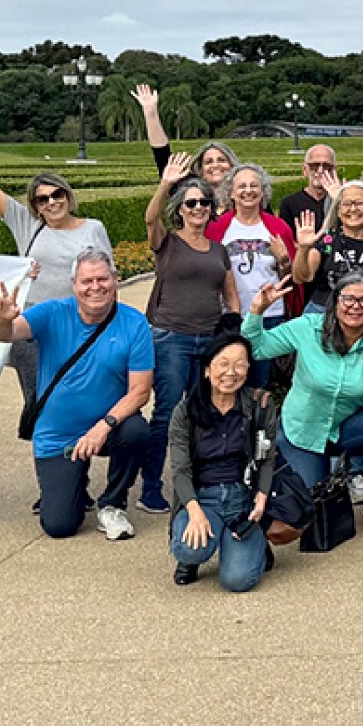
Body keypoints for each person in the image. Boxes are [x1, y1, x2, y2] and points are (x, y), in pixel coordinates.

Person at [243, 272, 363, 541]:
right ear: (335, 301)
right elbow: (255, 349)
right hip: (301, 431)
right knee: (308, 509)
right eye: (348, 298)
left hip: (346, 426)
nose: (355, 306)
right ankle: (338, 475)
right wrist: (257, 312)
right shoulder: (308, 328)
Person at [0, 117, 113, 423]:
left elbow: (108, 277)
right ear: (35, 205)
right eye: (43, 199)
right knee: (40, 399)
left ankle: (76, 457)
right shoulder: (28, 225)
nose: (52, 202)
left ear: (67, 196)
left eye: (57, 195)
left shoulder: (93, 228)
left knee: (79, 396)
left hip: (78, 323)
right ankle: (52, 459)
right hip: (34, 325)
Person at [0, 250, 152, 542]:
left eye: (103, 278)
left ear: (116, 280)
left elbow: (140, 391)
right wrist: (2, 319)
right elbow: (5, 335)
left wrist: (103, 427)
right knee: (60, 525)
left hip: (107, 426)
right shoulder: (51, 312)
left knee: (137, 430)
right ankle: (76, 482)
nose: (95, 287)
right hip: (58, 434)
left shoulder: (134, 323)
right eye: (86, 280)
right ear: (74, 284)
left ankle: (112, 503)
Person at [139, 153, 237, 514]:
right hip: (172, 337)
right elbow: (150, 218)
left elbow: (228, 291)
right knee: (166, 411)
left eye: (204, 203)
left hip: (208, 338)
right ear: (180, 209)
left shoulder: (218, 249)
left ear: (212, 209)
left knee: (203, 411)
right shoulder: (167, 241)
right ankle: (150, 484)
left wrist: (234, 326)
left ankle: (195, 480)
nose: (198, 208)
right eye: (191, 203)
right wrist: (166, 183)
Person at [167, 333, 280, 591]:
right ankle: (197, 555)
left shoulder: (260, 404)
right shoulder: (185, 411)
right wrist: (194, 512)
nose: (231, 372)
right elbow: (180, 469)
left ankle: (256, 544)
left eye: (240, 364)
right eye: (223, 363)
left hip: (244, 497)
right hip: (202, 497)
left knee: (237, 581)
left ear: (249, 368)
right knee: (188, 549)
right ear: (207, 370)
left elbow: (266, 458)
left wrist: (261, 499)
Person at [208, 163, 297, 386]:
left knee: (261, 381)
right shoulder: (218, 228)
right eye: (242, 186)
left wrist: (284, 259)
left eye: (254, 185)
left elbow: (291, 277)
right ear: (231, 192)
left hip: (269, 314)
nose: (248, 191)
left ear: (263, 191)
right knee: (229, 377)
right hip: (231, 314)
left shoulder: (278, 227)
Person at [293, 180, 363, 311]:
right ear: (338, 211)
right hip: (322, 312)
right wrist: (304, 248)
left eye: (359, 203)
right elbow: (301, 278)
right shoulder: (327, 240)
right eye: (346, 204)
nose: (353, 209)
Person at [131, 84, 237, 187]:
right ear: (200, 170)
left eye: (222, 160)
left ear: (232, 165)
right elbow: (162, 154)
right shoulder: (189, 192)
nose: (215, 165)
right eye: (209, 162)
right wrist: (151, 113)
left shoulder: (247, 188)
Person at [277, 144, 341, 236]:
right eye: (314, 165)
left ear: (334, 170)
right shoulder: (289, 204)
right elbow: (287, 240)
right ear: (304, 170)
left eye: (327, 166)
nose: (320, 170)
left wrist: (339, 199)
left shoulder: (343, 201)